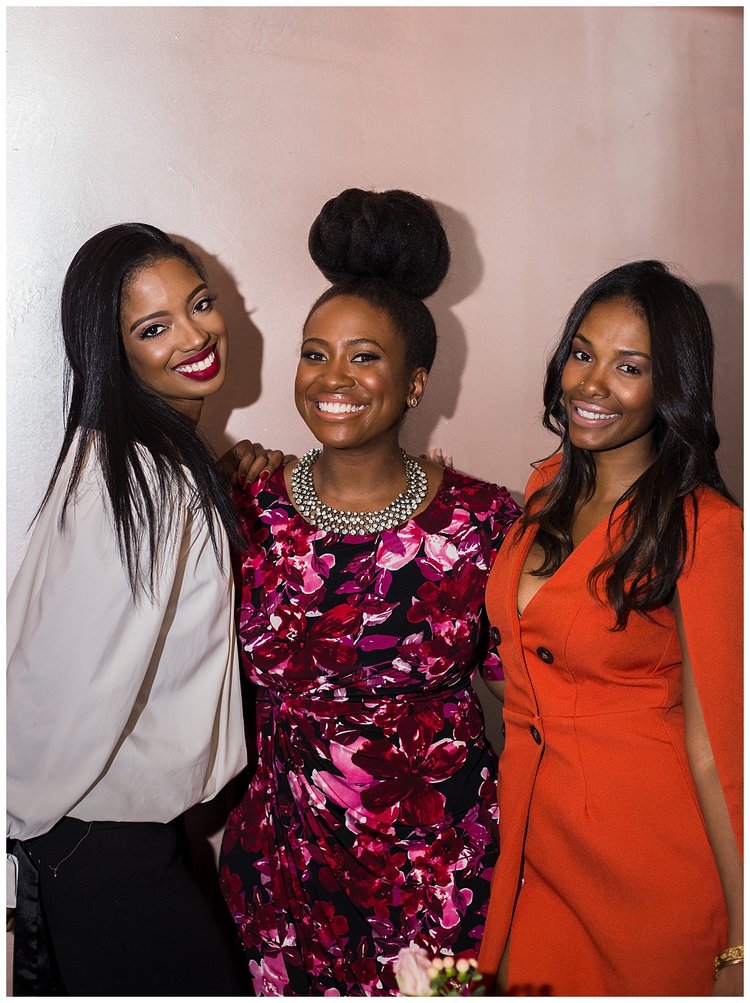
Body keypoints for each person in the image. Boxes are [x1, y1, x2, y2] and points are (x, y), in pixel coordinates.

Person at [219, 188, 521, 995]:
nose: (333, 377)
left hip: (439, 881)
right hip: (283, 878)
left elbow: (534, 701)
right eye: (315, 353)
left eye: (364, 357)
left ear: (416, 382)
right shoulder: (246, 507)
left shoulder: (484, 523)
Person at [6, 222, 281, 995]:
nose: (195, 336)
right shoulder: (146, 483)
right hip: (98, 848)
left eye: (200, 304)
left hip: (106, 841)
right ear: (113, 350)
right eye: (154, 327)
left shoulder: (132, 462)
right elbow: (62, 680)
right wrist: (21, 824)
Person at [478, 260, 743, 995]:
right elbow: (533, 666)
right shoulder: (543, 492)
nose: (591, 384)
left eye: (630, 367)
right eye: (582, 353)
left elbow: (718, 751)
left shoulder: (707, 528)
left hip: (651, 864)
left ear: (672, 387)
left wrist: (742, 942)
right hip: (538, 848)